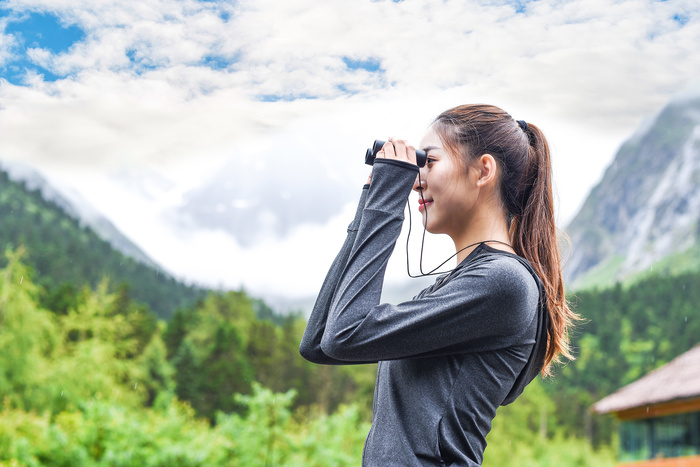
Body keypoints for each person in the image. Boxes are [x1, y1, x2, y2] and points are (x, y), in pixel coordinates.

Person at [299, 104, 577, 466]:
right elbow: (320, 342)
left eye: (428, 161)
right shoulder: (460, 287)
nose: (415, 179)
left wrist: (387, 200)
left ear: (483, 171)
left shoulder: (503, 283)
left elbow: (345, 334)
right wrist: (371, 202)